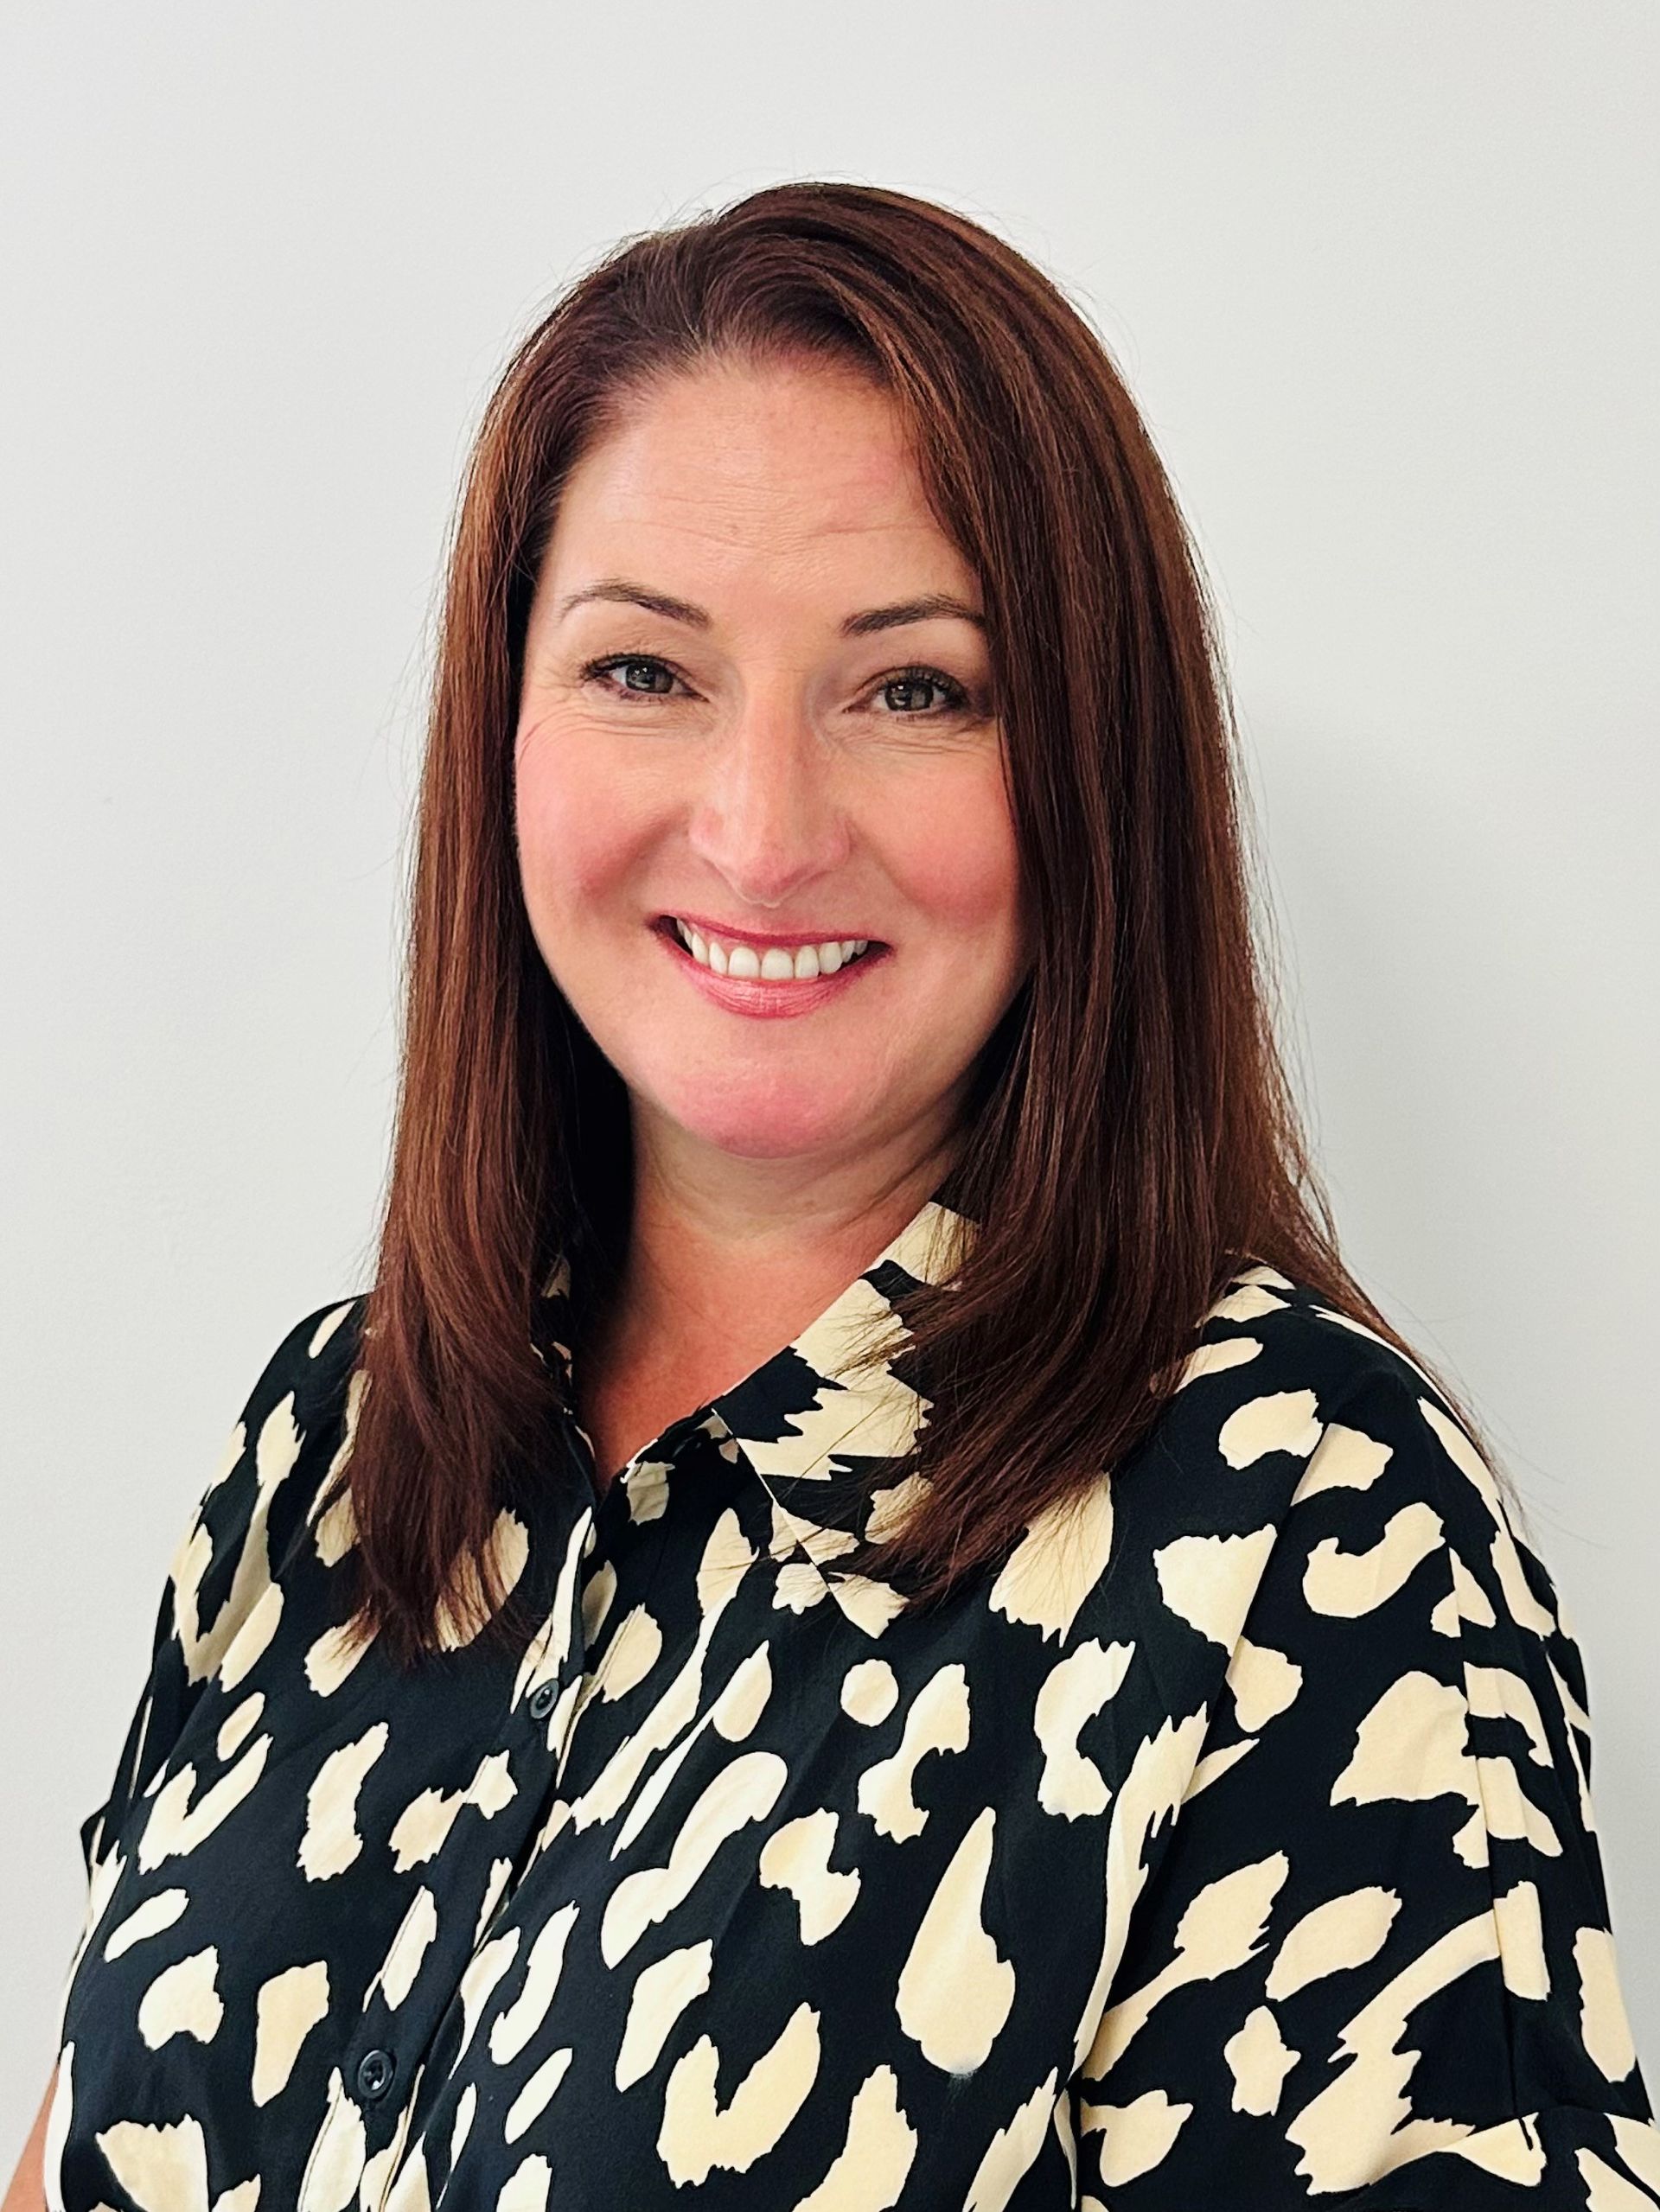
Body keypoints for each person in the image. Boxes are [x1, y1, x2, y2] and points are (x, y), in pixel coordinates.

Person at [9, 180, 1657, 2212]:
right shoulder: (331, 1442)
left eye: (915, 689)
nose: (764, 828)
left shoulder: (1308, 1532)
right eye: (643, 672)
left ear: (1087, 775)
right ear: (502, 730)